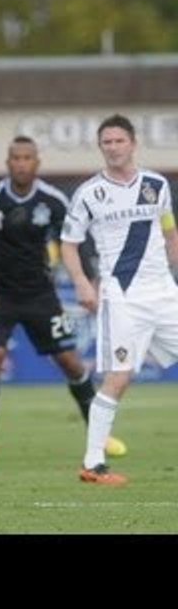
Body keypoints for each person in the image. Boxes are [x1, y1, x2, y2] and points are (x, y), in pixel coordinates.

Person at [0, 136, 127, 465]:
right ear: (7, 163)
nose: (20, 163)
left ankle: (100, 437)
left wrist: (87, 282)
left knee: (72, 363)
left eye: (27, 158)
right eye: (15, 158)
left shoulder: (53, 200)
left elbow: (73, 242)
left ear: (37, 163)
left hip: (41, 296)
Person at [61, 113, 178, 486]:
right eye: (106, 142)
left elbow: (169, 233)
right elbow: (69, 243)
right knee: (119, 377)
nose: (112, 148)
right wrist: (81, 282)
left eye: (118, 141)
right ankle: (93, 465)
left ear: (132, 143)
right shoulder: (89, 193)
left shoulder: (156, 185)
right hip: (123, 298)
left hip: (164, 292)